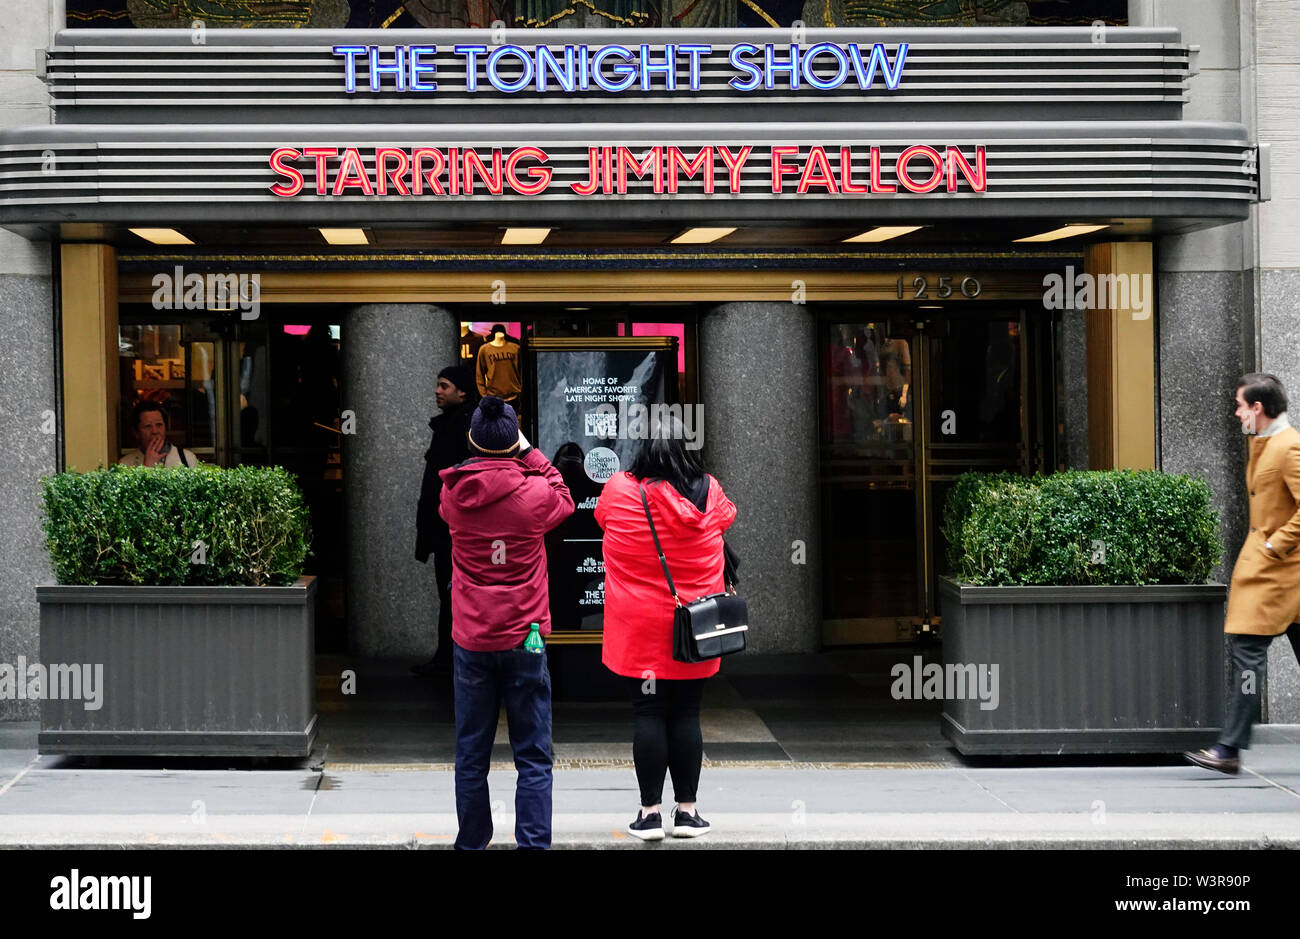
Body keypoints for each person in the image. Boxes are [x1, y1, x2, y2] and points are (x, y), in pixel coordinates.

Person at [439, 395, 574, 849]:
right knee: (533, 754)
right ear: (513, 440)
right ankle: (533, 844)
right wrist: (529, 451)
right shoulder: (534, 495)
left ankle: (472, 842)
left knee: (471, 752)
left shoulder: (454, 494)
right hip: (526, 636)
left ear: (472, 439)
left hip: (472, 638)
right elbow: (564, 496)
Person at [595, 415, 737, 840]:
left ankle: (650, 814)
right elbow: (727, 518)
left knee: (649, 712)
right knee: (687, 712)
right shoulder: (709, 490)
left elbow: (602, 518)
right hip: (694, 626)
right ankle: (688, 813)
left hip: (638, 629)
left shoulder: (619, 489)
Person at [1186, 373, 1300, 774]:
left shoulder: (1289, 447)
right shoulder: (1263, 443)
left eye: (1240, 405)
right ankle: (1229, 749)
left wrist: (1273, 545)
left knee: (1248, 655)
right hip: (1274, 576)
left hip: (1278, 575)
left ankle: (1229, 748)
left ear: (1258, 407)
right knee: (1247, 654)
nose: (1236, 413)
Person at [413, 365, 479, 680]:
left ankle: (450, 658)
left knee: (452, 592)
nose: (438, 391)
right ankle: (449, 657)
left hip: (452, 529)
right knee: (450, 592)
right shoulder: (456, 424)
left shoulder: (461, 427)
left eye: (444, 386)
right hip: (449, 527)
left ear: (462, 392)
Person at [118, 400, 199, 467]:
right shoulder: (126, 464)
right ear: (136, 432)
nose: (155, 431)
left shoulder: (186, 457)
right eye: (148, 426)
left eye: (159, 425)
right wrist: (148, 467)